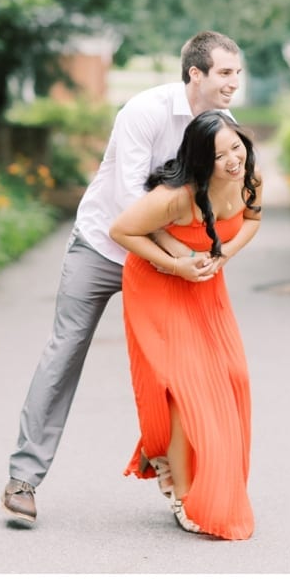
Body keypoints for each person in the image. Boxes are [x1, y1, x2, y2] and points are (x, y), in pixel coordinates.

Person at [1, 31, 249, 525]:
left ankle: (175, 477)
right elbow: (128, 199)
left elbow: (224, 196)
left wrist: (212, 252)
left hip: (161, 262)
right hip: (102, 245)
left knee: (177, 370)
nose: (233, 84)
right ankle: (23, 478)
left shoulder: (223, 127)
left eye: (237, 74)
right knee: (66, 349)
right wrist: (178, 251)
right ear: (195, 73)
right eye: (224, 73)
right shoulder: (144, 111)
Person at [110, 109, 262, 538]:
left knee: (233, 377)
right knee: (183, 388)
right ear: (200, 162)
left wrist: (225, 253)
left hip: (206, 285)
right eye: (220, 155)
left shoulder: (249, 177)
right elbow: (122, 231)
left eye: (236, 147)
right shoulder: (177, 197)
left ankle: (174, 462)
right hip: (157, 284)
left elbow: (253, 218)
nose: (233, 160)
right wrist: (176, 267)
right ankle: (182, 490)